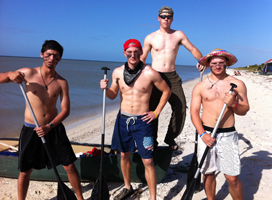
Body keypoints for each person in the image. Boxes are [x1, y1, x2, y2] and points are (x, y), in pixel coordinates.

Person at [0, 40, 84, 200]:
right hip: (31, 129)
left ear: (59, 59)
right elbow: (1, 78)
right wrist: (11, 73)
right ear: (42, 55)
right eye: (49, 54)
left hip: (53, 129)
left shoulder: (62, 82)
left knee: (70, 165)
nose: (52, 58)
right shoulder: (27, 74)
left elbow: (66, 110)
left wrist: (49, 126)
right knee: (25, 170)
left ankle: (80, 198)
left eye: (56, 56)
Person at [100, 39, 171, 200]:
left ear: (141, 53)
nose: (133, 55)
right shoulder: (117, 72)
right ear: (124, 53)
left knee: (147, 160)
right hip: (123, 121)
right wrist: (105, 89)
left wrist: (156, 112)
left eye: (136, 52)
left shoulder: (150, 73)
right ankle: (127, 187)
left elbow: (167, 91)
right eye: (129, 52)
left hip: (143, 123)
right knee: (124, 155)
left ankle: (153, 197)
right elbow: (112, 95)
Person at [141, 6, 204, 150]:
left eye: (168, 16)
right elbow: (143, 58)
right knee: (152, 110)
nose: (166, 19)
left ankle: (170, 138)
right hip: (155, 76)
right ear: (158, 18)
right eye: (163, 16)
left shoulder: (178, 35)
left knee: (180, 107)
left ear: (172, 18)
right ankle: (153, 142)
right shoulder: (150, 37)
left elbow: (193, 49)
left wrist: (201, 60)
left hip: (172, 76)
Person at [190, 49, 250, 200]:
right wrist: (202, 134)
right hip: (206, 134)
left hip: (228, 134)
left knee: (232, 177)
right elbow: (194, 113)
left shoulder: (237, 84)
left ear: (227, 64)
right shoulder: (200, 86)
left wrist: (234, 104)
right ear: (209, 64)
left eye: (221, 63)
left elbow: (244, 110)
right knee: (208, 174)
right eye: (214, 63)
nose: (217, 66)